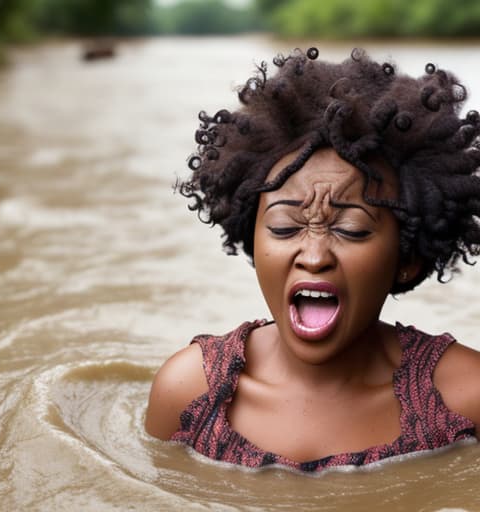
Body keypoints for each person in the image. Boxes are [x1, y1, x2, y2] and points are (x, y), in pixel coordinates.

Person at [145, 47, 480, 472]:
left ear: (407, 259)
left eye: (352, 230)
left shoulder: (466, 398)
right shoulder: (189, 392)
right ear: (253, 239)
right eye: (286, 227)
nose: (315, 256)